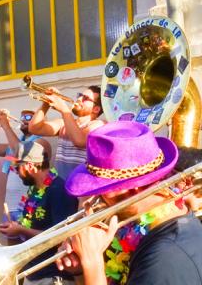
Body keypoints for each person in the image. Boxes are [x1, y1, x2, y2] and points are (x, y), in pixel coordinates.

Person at [56, 121, 202, 285]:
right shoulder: (140, 228)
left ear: (133, 188)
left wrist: (92, 261)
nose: (94, 198)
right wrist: (81, 268)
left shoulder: (166, 259)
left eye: (102, 188)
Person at [0, 142, 77, 284]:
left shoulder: (58, 190)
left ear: (30, 166)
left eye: (17, 167)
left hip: (52, 275)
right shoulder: (34, 191)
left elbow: (59, 236)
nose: (15, 171)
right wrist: (16, 227)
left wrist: (21, 229)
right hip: (35, 273)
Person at [0, 108, 51, 221]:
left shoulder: (41, 143)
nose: (23, 120)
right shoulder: (14, 145)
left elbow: (20, 151)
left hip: (29, 205)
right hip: (10, 207)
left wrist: (6, 126)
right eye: (22, 117)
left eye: (28, 117)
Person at [28, 85, 105, 179]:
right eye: (80, 95)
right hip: (59, 186)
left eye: (85, 98)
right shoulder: (64, 123)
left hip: (80, 187)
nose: (79, 98)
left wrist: (64, 110)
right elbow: (34, 128)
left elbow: (79, 141)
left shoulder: (99, 124)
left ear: (96, 109)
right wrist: (46, 103)